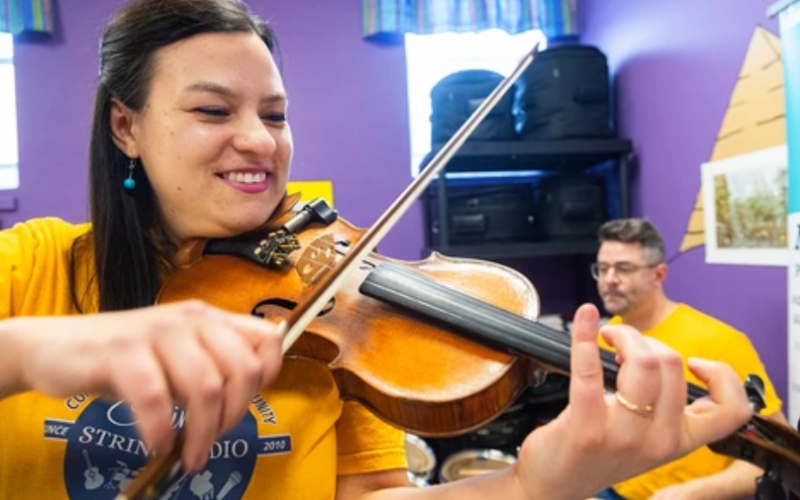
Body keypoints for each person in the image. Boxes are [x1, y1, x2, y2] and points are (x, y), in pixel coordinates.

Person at [0, 1, 754, 499]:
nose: (261, 141)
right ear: (125, 127)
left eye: (275, 113)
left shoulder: (334, 313)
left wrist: (533, 483)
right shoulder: (34, 266)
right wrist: (32, 352)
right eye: (210, 110)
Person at [590, 218, 787, 500]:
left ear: (658, 275)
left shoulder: (721, 343)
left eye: (624, 269)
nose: (609, 280)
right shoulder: (607, 336)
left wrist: (690, 493)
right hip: (616, 489)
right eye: (603, 268)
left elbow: (778, 455)